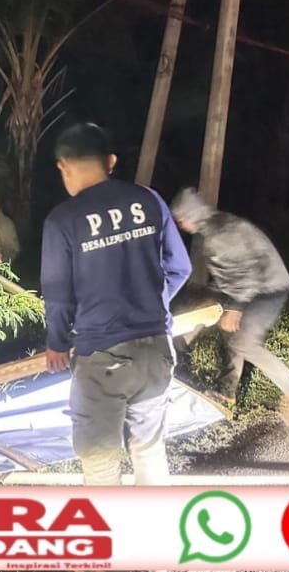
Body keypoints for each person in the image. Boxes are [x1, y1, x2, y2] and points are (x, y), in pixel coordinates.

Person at [40, 122, 192, 485]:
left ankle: (110, 522)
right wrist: (149, 305)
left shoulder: (63, 220)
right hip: (156, 347)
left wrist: (57, 342)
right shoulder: (149, 200)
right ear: (110, 161)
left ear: (63, 166)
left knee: (100, 463)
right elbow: (180, 267)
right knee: (150, 451)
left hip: (102, 356)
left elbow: (58, 293)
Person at [169, 187, 289, 428]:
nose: (181, 225)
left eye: (181, 220)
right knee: (227, 329)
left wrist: (234, 308)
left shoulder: (220, 234)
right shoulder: (215, 227)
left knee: (245, 343)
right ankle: (226, 391)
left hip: (268, 288)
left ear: (191, 214)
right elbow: (229, 273)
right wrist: (213, 300)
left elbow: (246, 275)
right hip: (252, 286)